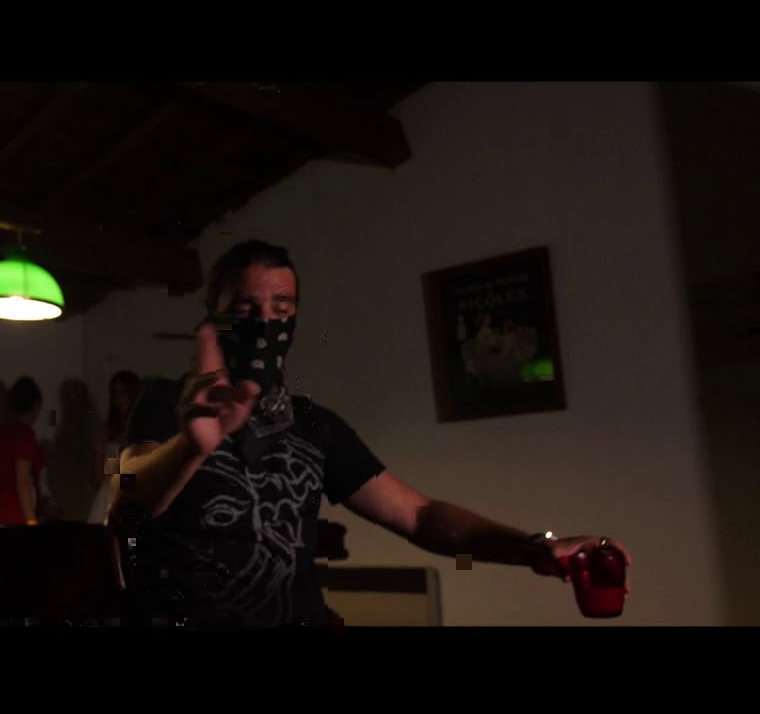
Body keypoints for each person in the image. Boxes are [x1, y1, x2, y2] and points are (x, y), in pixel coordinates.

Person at [117, 239, 633, 628]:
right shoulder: (165, 400)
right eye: (245, 310)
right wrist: (193, 445)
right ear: (214, 313)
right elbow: (128, 503)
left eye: (281, 310)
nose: (264, 324)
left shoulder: (315, 426)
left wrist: (535, 548)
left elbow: (419, 516)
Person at [0, 376, 47, 526]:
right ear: (36, 405)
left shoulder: (2, 433)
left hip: (1, 509)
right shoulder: (25, 435)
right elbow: (23, 481)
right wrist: (31, 521)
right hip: (18, 513)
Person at [88, 370, 142, 524]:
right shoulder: (109, 432)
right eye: (115, 393)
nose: (119, 399)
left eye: (124, 392)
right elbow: (100, 480)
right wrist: (98, 452)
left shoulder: (141, 430)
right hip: (108, 499)